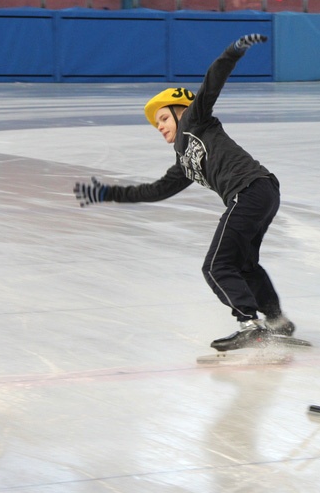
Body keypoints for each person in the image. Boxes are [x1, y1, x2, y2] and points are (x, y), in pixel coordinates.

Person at [73, 34, 297, 351]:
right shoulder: (183, 162)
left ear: (181, 111)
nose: (161, 126)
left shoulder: (196, 120)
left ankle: (250, 324)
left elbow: (212, 82)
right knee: (245, 266)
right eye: (157, 124)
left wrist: (232, 51)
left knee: (216, 266)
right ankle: (276, 320)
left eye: (164, 117)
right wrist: (108, 193)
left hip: (250, 189)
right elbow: (155, 191)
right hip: (262, 191)